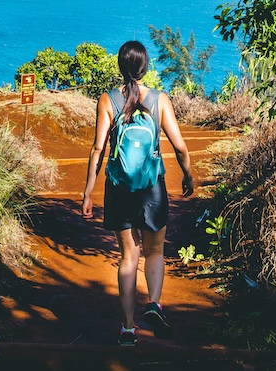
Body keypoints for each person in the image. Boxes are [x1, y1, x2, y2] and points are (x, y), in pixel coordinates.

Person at [82, 40, 195, 346]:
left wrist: (88, 192)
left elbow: (98, 149)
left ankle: (128, 329)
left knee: (128, 257)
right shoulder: (160, 100)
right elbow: (180, 146)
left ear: (121, 66)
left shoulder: (107, 100)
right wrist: (188, 175)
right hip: (152, 188)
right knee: (155, 251)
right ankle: (154, 304)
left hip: (118, 189)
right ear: (146, 67)